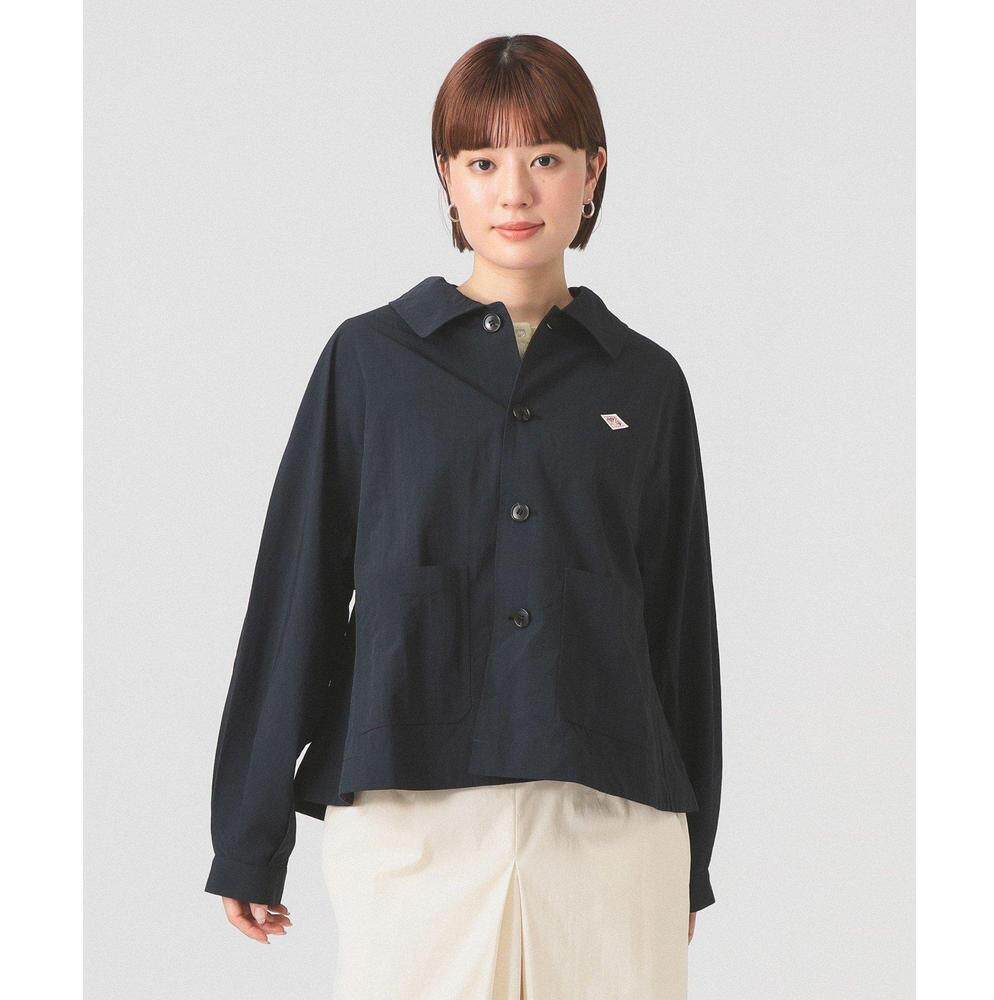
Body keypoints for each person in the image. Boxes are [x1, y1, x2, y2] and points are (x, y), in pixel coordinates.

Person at [205, 33, 723, 999]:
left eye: (545, 159)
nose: (514, 192)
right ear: (446, 175)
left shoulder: (645, 382)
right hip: (410, 813)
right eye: (483, 161)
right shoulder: (371, 362)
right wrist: (249, 833)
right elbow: (298, 591)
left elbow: (679, 624)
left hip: (611, 822)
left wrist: (693, 855)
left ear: (592, 171)